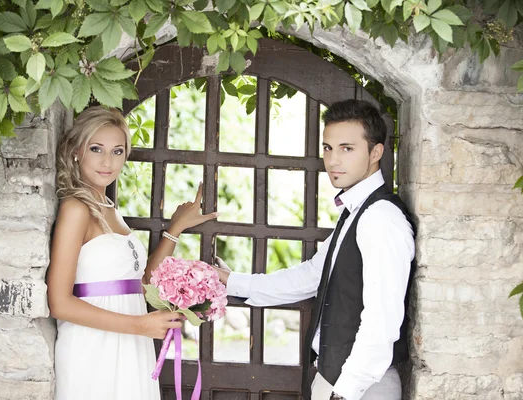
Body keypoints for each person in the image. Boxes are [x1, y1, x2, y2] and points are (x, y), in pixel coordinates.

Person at [214, 99, 416, 400]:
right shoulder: (356, 212)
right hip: (337, 380)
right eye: (328, 148)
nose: (333, 161)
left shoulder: (381, 218)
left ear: (375, 152)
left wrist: (344, 392)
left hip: (361, 388)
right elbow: (312, 276)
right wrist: (232, 281)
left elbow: (382, 320)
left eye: (347, 148)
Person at [47, 106, 217, 400]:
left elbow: (139, 284)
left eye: (117, 151)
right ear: (76, 150)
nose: (107, 161)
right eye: (96, 148)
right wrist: (140, 325)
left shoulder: (110, 209)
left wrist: (174, 229)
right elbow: (59, 303)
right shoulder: (76, 208)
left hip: (132, 342)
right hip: (93, 347)